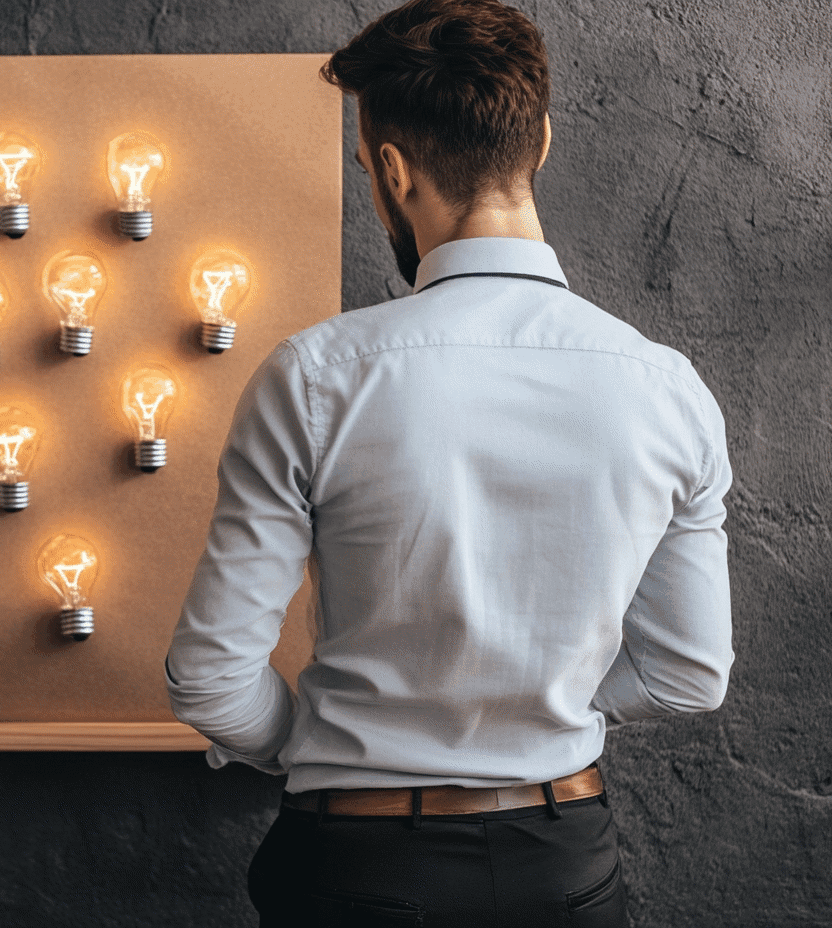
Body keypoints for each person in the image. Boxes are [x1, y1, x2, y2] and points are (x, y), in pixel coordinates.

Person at [165, 0, 734, 925]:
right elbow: (688, 675)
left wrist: (330, 746)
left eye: (367, 167)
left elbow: (209, 678)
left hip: (354, 867)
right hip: (567, 866)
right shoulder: (668, 387)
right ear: (541, 143)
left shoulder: (316, 377)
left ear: (390, 169)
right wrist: (534, 717)